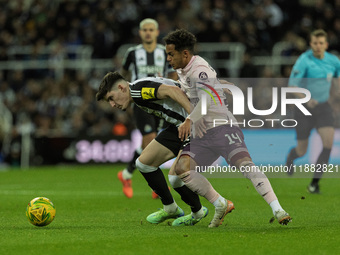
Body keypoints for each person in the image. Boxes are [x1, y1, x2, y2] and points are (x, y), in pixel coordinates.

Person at [162, 29, 291, 227]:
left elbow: (205, 99)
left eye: (171, 54)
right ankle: (220, 203)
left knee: (245, 165)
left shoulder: (199, 69)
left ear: (185, 53)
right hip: (203, 133)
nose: (168, 58)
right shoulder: (184, 69)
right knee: (179, 173)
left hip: (222, 127)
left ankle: (278, 209)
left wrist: (189, 120)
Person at [96, 72, 208, 226]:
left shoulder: (138, 91)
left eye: (111, 98)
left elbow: (173, 91)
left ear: (121, 88)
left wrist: (194, 116)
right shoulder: (137, 94)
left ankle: (199, 211)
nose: (112, 105)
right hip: (177, 126)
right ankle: (170, 208)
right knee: (143, 163)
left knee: (175, 177)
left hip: (193, 124)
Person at [118, 18, 177, 198]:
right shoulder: (132, 53)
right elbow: (124, 75)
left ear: (157, 32)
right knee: (151, 139)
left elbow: (172, 73)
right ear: (140, 32)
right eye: (145, 30)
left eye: (151, 29)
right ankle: (157, 186)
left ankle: (127, 174)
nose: (148, 32)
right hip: (140, 102)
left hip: (160, 103)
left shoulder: (163, 52)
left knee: (149, 143)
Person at [285, 29, 340, 193]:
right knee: (302, 151)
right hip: (304, 108)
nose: (318, 46)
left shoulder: (334, 61)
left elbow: (337, 80)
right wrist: (307, 98)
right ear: (311, 44)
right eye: (315, 43)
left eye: (321, 43)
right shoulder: (304, 61)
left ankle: (314, 183)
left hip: (323, 107)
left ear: (326, 45)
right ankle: (291, 157)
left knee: (328, 144)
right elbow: (292, 86)